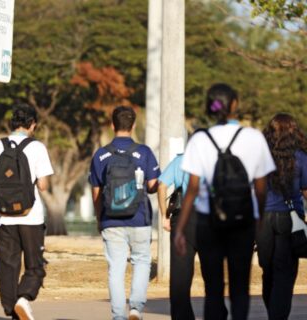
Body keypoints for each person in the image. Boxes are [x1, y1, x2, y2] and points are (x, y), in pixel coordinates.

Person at [174, 83, 276, 320]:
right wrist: (259, 218)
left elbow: (192, 189)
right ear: (234, 104)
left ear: (209, 107)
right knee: (240, 287)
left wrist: (180, 228)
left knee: (214, 289)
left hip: (208, 222)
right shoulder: (253, 138)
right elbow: (261, 188)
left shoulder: (200, 139)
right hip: (243, 220)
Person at [90, 106, 160, 320]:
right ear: (133, 125)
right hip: (140, 218)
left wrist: (99, 217)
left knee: (116, 268)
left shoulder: (101, 155)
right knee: (141, 261)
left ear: (112, 125)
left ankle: (118, 316)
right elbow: (152, 185)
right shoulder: (145, 152)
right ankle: (136, 309)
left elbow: (96, 191)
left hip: (111, 220)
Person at [0, 103, 54, 320]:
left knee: (7, 265)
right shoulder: (37, 148)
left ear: (13, 123)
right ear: (32, 124)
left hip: (3, 216)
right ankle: (24, 299)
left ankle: (11, 307)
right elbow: (43, 186)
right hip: (31, 216)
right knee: (35, 265)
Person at [256, 113, 307, 319]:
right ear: (293, 132)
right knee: (284, 274)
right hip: (290, 219)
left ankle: (273, 313)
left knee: (268, 271)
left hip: (262, 219)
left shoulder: (259, 157)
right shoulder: (301, 157)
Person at [158, 153, 203, 320]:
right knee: (213, 277)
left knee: (179, 278)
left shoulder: (180, 160)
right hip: (209, 221)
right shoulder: (215, 159)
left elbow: (161, 185)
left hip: (182, 220)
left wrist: (164, 216)